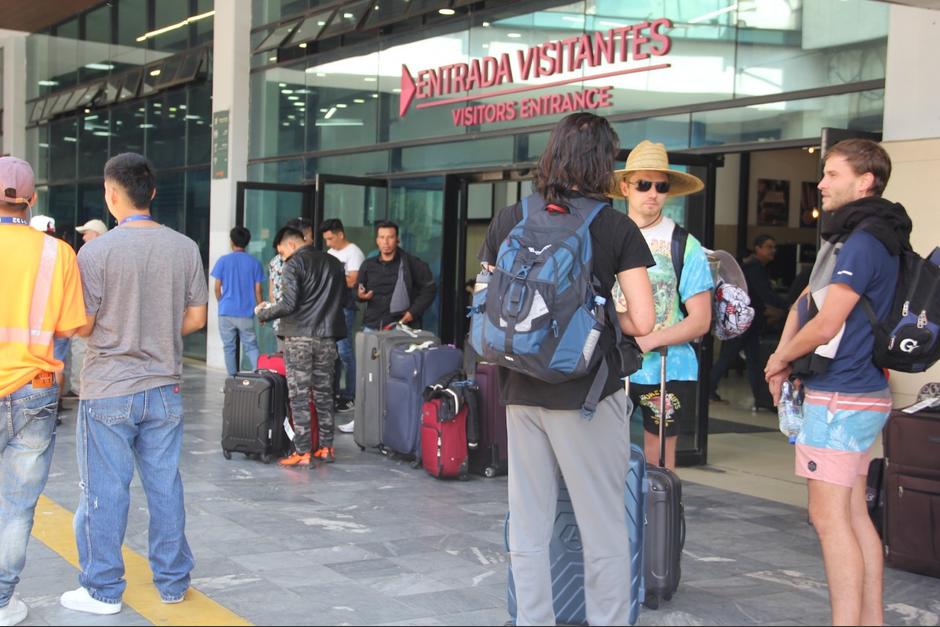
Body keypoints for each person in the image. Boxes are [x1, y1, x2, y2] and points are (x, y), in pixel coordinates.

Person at [480, 112, 655, 626]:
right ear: (604, 163)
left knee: (529, 523)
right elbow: (643, 319)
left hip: (519, 389)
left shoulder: (510, 218)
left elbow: (488, 302)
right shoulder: (613, 225)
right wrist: (601, 319)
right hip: (587, 396)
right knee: (602, 526)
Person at [765, 139, 909, 626]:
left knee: (829, 520)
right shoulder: (864, 235)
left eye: (831, 173)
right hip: (864, 394)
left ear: (865, 180)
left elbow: (826, 323)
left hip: (839, 399)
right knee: (853, 514)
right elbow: (803, 302)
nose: (821, 183)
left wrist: (777, 362)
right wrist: (783, 356)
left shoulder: (863, 240)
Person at [60, 153, 208, 616]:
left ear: (111, 194)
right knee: (165, 485)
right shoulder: (185, 247)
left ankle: (102, 588)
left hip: (108, 389)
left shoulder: (96, 252)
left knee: (106, 489)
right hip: (165, 388)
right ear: (153, 193)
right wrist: (158, 332)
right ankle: (172, 581)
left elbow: (82, 326)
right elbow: (197, 317)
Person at [0, 157, 86, 627]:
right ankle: (1, 602)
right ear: (32, 200)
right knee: (16, 505)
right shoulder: (58, 253)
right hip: (34, 391)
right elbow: (73, 325)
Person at [611, 139, 713, 471]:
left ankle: (656, 520)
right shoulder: (605, 236)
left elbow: (700, 320)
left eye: (661, 185)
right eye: (643, 184)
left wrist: (649, 339)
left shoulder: (685, 244)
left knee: (659, 464)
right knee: (604, 455)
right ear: (626, 187)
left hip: (668, 367)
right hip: (612, 364)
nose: (652, 193)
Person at [256, 227, 346, 466]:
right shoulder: (334, 263)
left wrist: (264, 312)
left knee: (299, 395)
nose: (282, 257)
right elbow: (345, 300)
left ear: (292, 245)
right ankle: (326, 447)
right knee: (325, 394)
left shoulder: (294, 265)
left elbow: (288, 304)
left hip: (298, 339)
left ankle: (303, 450)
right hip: (327, 338)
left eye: (282, 251)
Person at [709, 235, 788, 408]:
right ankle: (708, 389)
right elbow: (765, 294)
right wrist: (789, 305)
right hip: (743, 321)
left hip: (750, 322)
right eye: (768, 246)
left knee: (753, 360)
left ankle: (761, 398)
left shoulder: (755, 267)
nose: (772, 250)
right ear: (758, 249)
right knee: (729, 357)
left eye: (774, 247)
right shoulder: (754, 269)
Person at [319, 218, 365, 421]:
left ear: (340, 234)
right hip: (331, 307)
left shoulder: (353, 252)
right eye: (325, 240)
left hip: (345, 307)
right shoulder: (331, 253)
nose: (328, 243)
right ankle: (335, 391)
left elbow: (353, 280)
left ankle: (350, 394)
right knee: (334, 352)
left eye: (330, 238)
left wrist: (332, 278)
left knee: (346, 353)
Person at [357, 221, 437, 331]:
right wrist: (360, 296)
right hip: (372, 325)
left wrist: (413, 312)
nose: (386, 242)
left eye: (390, 237)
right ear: (377, 241)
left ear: (397, 240)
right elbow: (357, 288)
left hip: (400, 325)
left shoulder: (411, 263)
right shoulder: (368, 264)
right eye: (382, 237)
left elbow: (429, 289)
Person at [210, 226, 266, 376]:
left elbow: (217, 288)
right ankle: (257, 378)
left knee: (229, 348)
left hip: (226, 311)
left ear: (232, 242)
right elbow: (258, 291)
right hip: (246, 313)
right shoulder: (255, 263)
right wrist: (261, 312)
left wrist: (222, 302)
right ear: (247, 242)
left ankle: (232, 381)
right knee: (251, 347)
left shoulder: (223, 261)